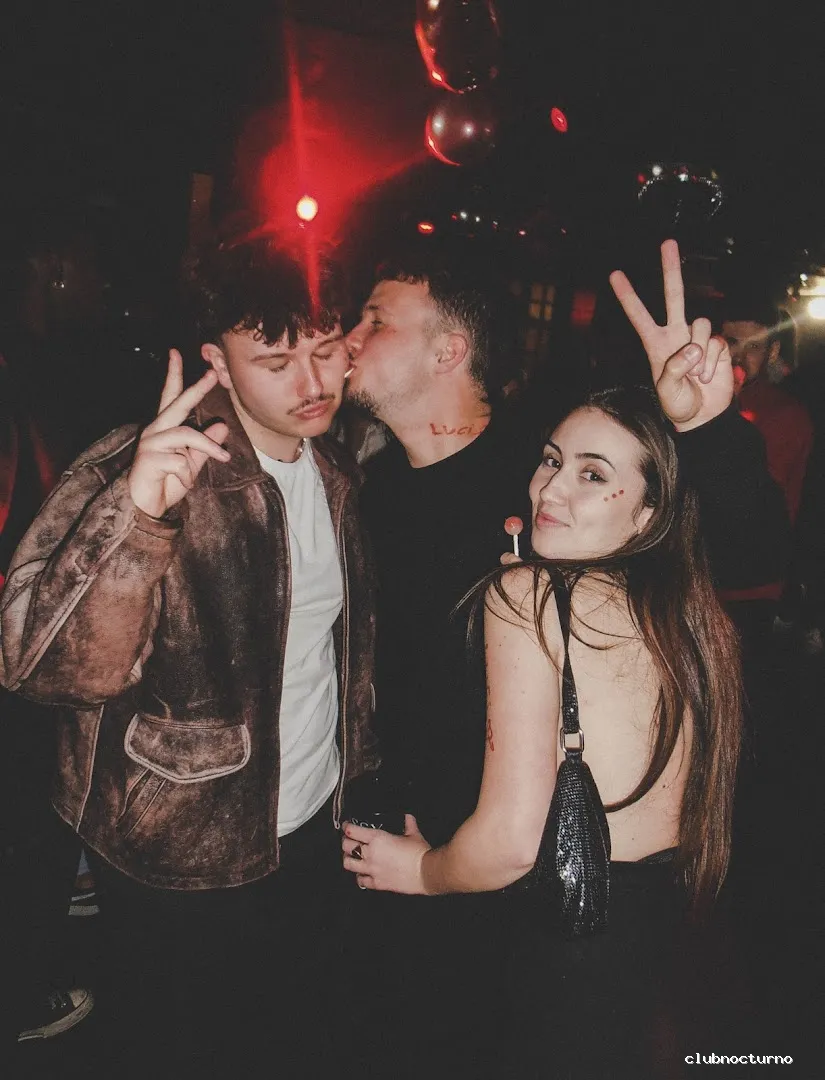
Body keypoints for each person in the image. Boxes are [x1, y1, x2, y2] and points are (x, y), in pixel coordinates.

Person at [340, 238, 786, 1073]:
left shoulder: (537, 481)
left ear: (448, 349)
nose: (348, 334)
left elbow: (743, 548)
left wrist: (703, 427)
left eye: (375, 318)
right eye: (555, 467)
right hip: (430, 846)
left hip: (516, 871)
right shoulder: (373, 488)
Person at [0, 237, 377, 1077]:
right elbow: (41, 669)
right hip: (176, 844)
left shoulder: (339, 471)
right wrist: (139, 518)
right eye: (274, 361)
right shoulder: (141, 464)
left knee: (279, 1040)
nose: (311, 382)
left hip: (310, 822)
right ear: (216, 361)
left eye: (325, 351)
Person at [721, 301, 813, 525]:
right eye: (732, 342)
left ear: (772, 353)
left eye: (753, 346)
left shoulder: (785, 413)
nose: (738, 356)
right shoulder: (702, 398)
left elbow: (755, 500)